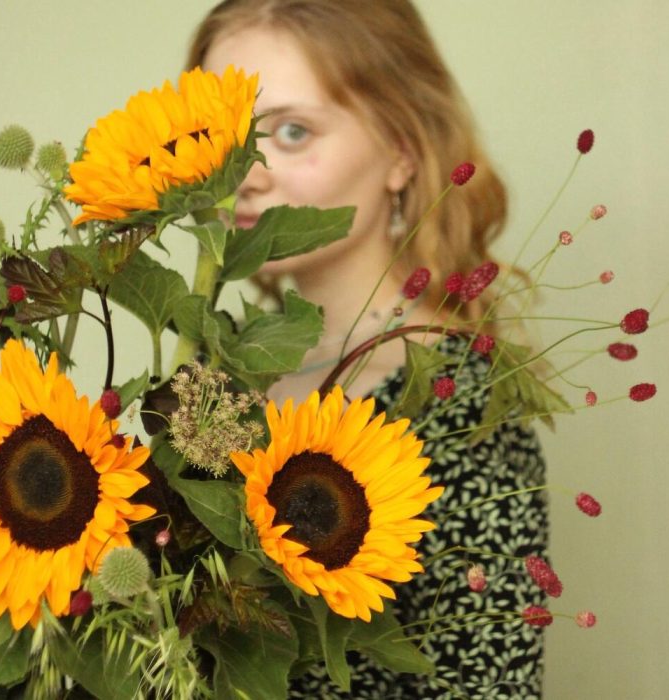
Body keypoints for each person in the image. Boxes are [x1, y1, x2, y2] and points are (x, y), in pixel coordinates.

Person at [187, 1, 549, 698]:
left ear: (402, 150)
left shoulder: (458, 406)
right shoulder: (213, 373)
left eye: (292, 132)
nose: (244, 172)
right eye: (218, 134)